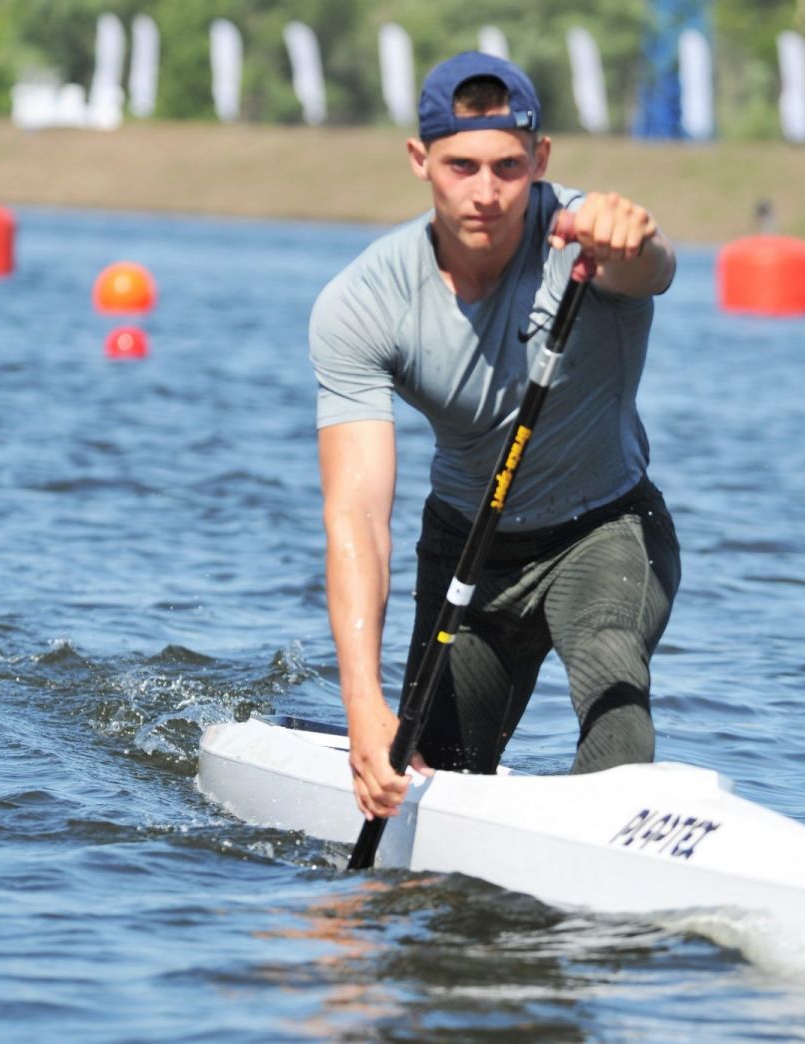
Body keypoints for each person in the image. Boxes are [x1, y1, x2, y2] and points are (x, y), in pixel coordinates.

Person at [309, 51, 680, 823]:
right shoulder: (363, 303)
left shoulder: (587, 240)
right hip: (468, 549)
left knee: (616, 691)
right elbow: (358, 517)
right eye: (462, 166)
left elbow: (652, 270)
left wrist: (636, 238)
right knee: (431, 765)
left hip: (605, 530)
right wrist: (364, 708)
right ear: (420, 160)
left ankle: (604, 858)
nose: (486, 192)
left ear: (539, 160)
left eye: (509, 167)